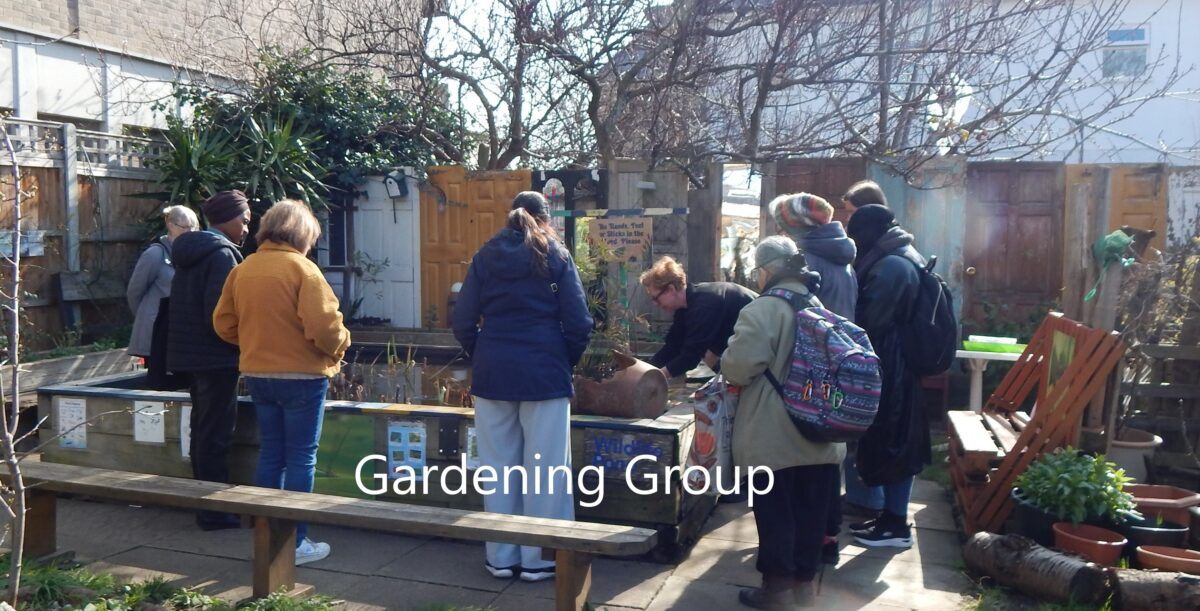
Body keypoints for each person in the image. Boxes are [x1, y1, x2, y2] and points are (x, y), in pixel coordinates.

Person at [451, 191, 593, 582]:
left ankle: (501, 557)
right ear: (546, 218)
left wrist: (483, 353)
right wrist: (562, 359)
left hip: (493, 373)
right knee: (547, 470)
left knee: (498, 469)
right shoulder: (557, 257)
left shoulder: (484, 256)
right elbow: (579, 323)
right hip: (544, 374)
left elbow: (462, 320)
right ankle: (540, 559)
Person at [213, 199, 350, 566]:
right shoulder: (303, 271)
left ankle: (268, 535)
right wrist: (340, 347)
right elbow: (325, 328)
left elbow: (223, 324)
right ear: (302, 234)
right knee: (301, 457)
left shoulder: (244, 269)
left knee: (271, 454)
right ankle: (295, 541)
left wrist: (257, 342)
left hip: (258, 374)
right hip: (302, 377)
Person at [720, 236, 843, 609]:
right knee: (811, 515)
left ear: (768, 271)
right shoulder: (819, 305)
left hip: (774, 434)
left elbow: (738, 368)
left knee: (776, 517)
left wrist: (724, 357)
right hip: (821, 432)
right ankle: (804, 587)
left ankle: (776, 591)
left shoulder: (763, 310)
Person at [769, 192, 859, 564]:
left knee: (804, 461)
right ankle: (826, 538)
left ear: (793, 226)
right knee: (827, 456)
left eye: (780, 222)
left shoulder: (807, 259)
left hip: (809, 366)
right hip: (837, 368)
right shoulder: (843, 256)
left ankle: (805, 548)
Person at [845, 204, 930, 549]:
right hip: (899, 366)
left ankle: (896, 526)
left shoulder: (892, 265)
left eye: (856, 236)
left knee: (894, 445)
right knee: (897, 445)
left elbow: (871, 323)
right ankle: (890, 520)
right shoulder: (900, 254)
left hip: (892, 369)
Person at [166, 190, 250, 531]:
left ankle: (204, 502)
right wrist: (241, 345)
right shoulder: (221, 256)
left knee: (202, 429)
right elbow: (221, 315)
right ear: (226, 219)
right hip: (216, 358)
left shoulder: (191, 250)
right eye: (243, 221)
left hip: (192, 356)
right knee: (216, 433)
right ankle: (215, 511)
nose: (246, 228)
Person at [640, 256, 757, 378]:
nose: (655, 304)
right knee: (711, 356)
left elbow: (691, 357)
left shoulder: (703, 306)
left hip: (764, 337)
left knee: (710, 356)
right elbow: (673, 347)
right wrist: (644, 370)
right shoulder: (685, 307)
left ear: (671, 289)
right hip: (743, 341)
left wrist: (655, 376)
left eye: (656, 298)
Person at [127, 205, 199, 365]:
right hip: (156, 335)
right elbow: (134, 293)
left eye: (194, 227)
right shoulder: (154, 254)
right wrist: (147, 317)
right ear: (170, 225)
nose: (191, 232)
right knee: (157, 386)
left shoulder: (192, 255)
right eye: (186, 227)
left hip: (180, 334)